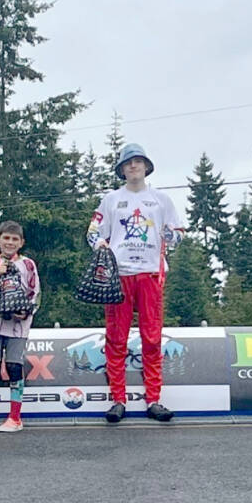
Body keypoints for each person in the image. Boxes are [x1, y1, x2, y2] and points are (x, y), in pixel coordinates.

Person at [86, 143, 184, 424]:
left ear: (146, 166)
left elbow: (177, 233)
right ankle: (118, 399)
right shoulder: (111, 199)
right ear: (122, 169)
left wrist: (171, 235)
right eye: (128, 163)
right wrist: (100, 245)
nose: (133, 167)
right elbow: (93, 231)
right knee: (116, 338)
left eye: (138, 162)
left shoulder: (161, 200)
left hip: (151, 274)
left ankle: (154, 399)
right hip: (119, 276)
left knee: (151, 338)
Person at [0, 221, 41, 433]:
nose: (10, 243)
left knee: (14, 367)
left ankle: (15, 417)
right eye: (6, 238)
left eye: (14, 239)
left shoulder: (28, 264)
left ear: (21, 242)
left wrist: (27, 312)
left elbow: (35, 293)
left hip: (18, 325)